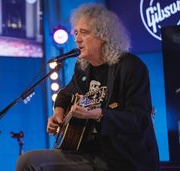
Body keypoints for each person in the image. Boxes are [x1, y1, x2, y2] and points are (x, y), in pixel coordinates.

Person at [16, 3, 159, 171]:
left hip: (123, 159)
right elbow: (66, 93)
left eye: (84, 32)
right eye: (75, 32)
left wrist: (98, 114)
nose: (77, 39)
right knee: (27, 161)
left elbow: (139, 118)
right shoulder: (83, 67)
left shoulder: (130, 66)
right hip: (86, 153)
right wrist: (58, 113)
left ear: (103, 35)